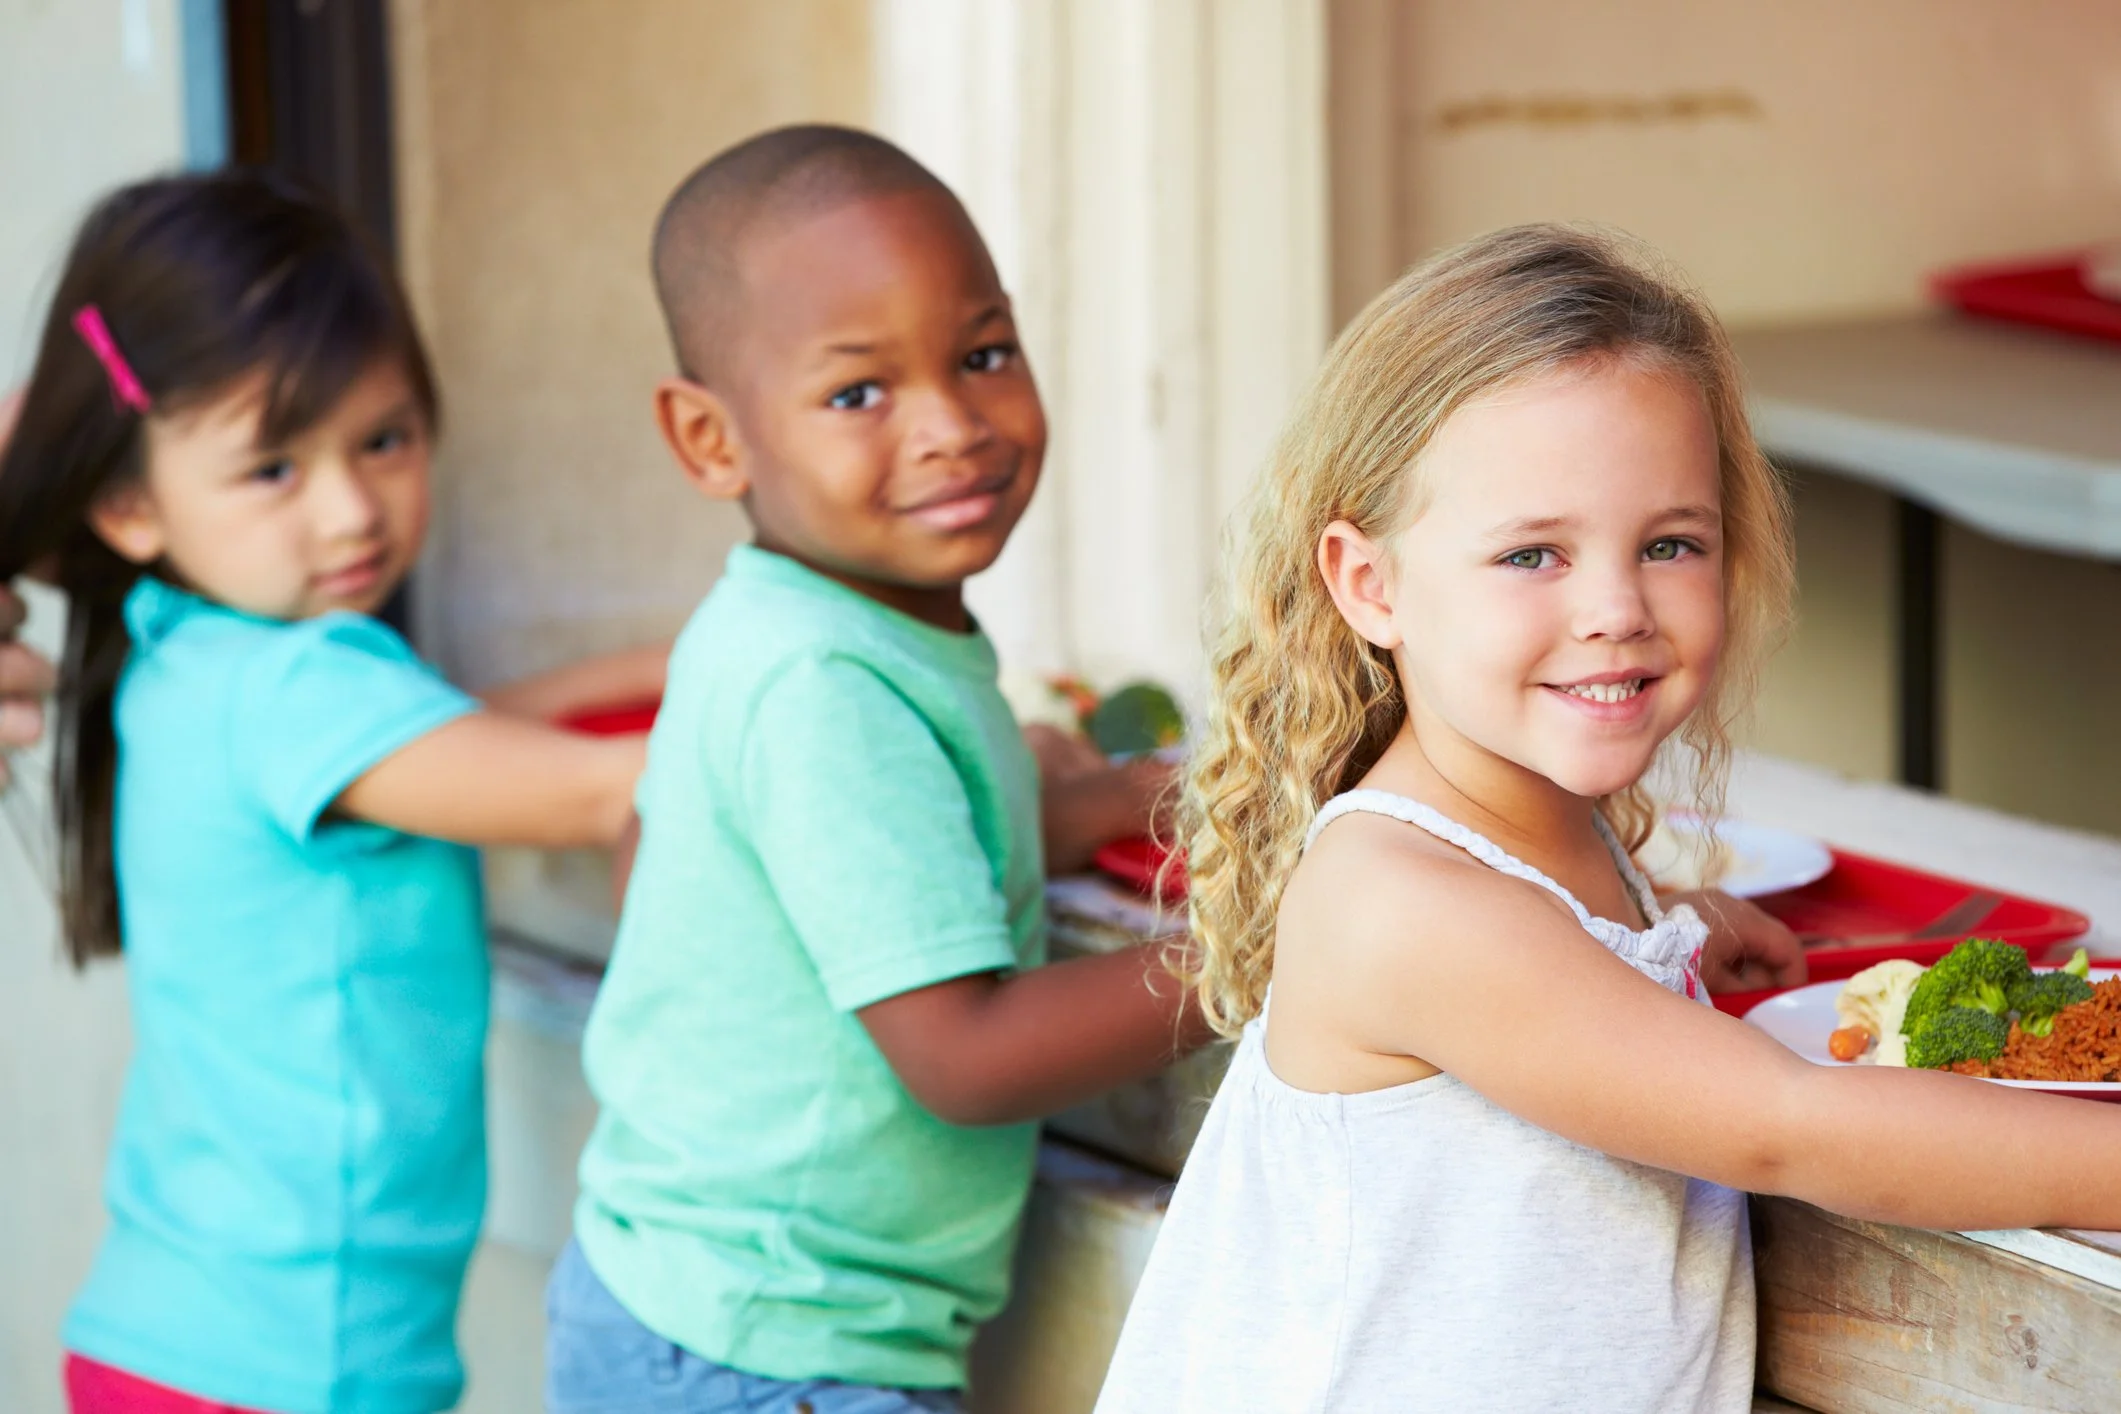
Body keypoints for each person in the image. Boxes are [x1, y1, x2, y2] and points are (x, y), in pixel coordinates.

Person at [1093, 224, 2121, 1412]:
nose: (1617, 608)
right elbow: (1787, 1128)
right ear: (1371, 586)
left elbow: (1542, 991)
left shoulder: (1537, 844)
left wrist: (1663, 930)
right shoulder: (1401, 901)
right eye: (1534, 554)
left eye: (1670, 543)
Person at [545, 125, 1208, 1414]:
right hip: (768, 1358)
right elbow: (968, 1056)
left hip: (695, 1310)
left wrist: (1119, 802)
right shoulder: (824, 683)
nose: (953, 425)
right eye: (859, 394)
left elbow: (710, 860)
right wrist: (1280, 940)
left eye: (982, 354)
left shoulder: (809, 621)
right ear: (709, 440)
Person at [0, 170, 661, 1414]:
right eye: (273, 470)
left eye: (383, 438)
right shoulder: (297, 684)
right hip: (286, 1376)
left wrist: (656, 663)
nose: (354, 509)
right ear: (130, 504)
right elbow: (595, 795)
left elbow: (445, 745)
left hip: (182, 1344)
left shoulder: (187, 642)